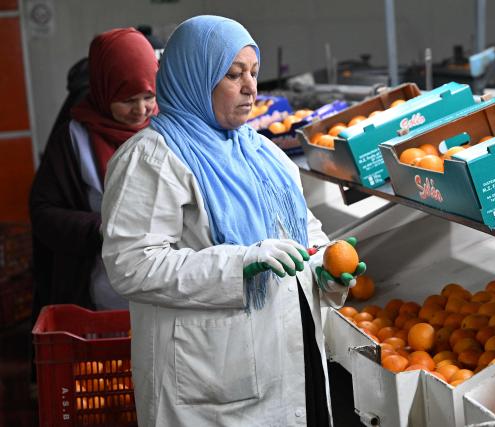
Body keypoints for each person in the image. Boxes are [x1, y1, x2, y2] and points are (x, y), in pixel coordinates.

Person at [100, 16, 365, 427]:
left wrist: (326, 273)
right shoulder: (152, 159)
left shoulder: (265, 155)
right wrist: (240, 264)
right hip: (212, 377)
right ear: (195, 76)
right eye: (233, 74)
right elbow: (132, 264)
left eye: (254, 74)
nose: (250, 88)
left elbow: (305, 235)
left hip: (291, 360)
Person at [29, 28, 159, 315]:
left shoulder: (168, 129)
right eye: (127, 100)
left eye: (148, 96)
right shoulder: (74, 139)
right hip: (101, 303)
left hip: (164, 297)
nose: (141, 110)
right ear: (102, 89)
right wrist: (101, 229)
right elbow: (43, 212)